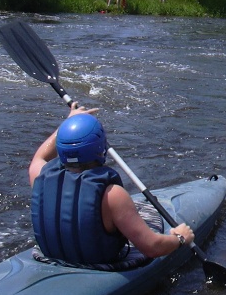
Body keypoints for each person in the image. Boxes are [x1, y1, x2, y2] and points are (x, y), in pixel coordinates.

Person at [28, 103, 194, 265]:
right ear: (100, 149)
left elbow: (39, 156)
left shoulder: (39, 176)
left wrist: (67, 123)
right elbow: (152, 248)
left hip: (53, 257)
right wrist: (180, 238)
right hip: (98, 263)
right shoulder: (112, 195)